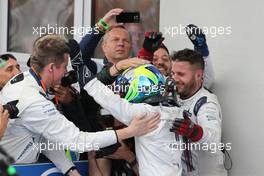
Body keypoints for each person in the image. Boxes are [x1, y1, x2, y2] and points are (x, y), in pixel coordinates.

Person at [0, 35, 160, 175]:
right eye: (64, 67)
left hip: (19, 163)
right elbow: (78, 140)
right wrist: (130, 131)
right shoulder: (34, 101)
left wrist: (70, 170)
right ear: (51, 68)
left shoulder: (25, 79)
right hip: (13, 168)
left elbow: (43, 136)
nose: (65, 73)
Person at [82, 63, 185, 176]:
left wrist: (82, 71)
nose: (121, 93)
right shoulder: (175, 111)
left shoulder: (144, 113)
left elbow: (109, 100)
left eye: (126, 86)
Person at [169, 48, 227, 176]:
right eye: (173, 73)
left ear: (199, 75)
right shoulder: (175, 95)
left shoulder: (206, 102)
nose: (175, 78)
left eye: (181, 74)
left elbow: (213, 140)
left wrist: (194, 131)